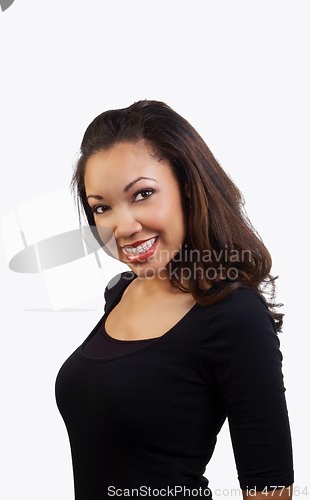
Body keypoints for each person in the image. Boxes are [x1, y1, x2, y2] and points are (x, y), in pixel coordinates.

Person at [55, 100, 294, 499]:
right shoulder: (119, 292)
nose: (124, 226)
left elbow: (269, 486)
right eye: (102, 207)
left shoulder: (233, 315)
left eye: (143, 194)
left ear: (187, 186)